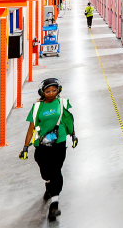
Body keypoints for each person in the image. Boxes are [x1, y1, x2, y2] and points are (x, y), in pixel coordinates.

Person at [19, 78, 78, 222]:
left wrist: (73, 135)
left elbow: (68, 120)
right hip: (42, 145)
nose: (51, 93)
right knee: (46, 173)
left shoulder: (62, 103)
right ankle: (48, 183)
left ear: (58, 90)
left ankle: (54, 204)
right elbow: (31, 128)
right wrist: (26, 147)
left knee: (56, 170)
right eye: (47, 91)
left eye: (54, 90)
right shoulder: (37, 107)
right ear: (42, 92)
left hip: (59, 142)